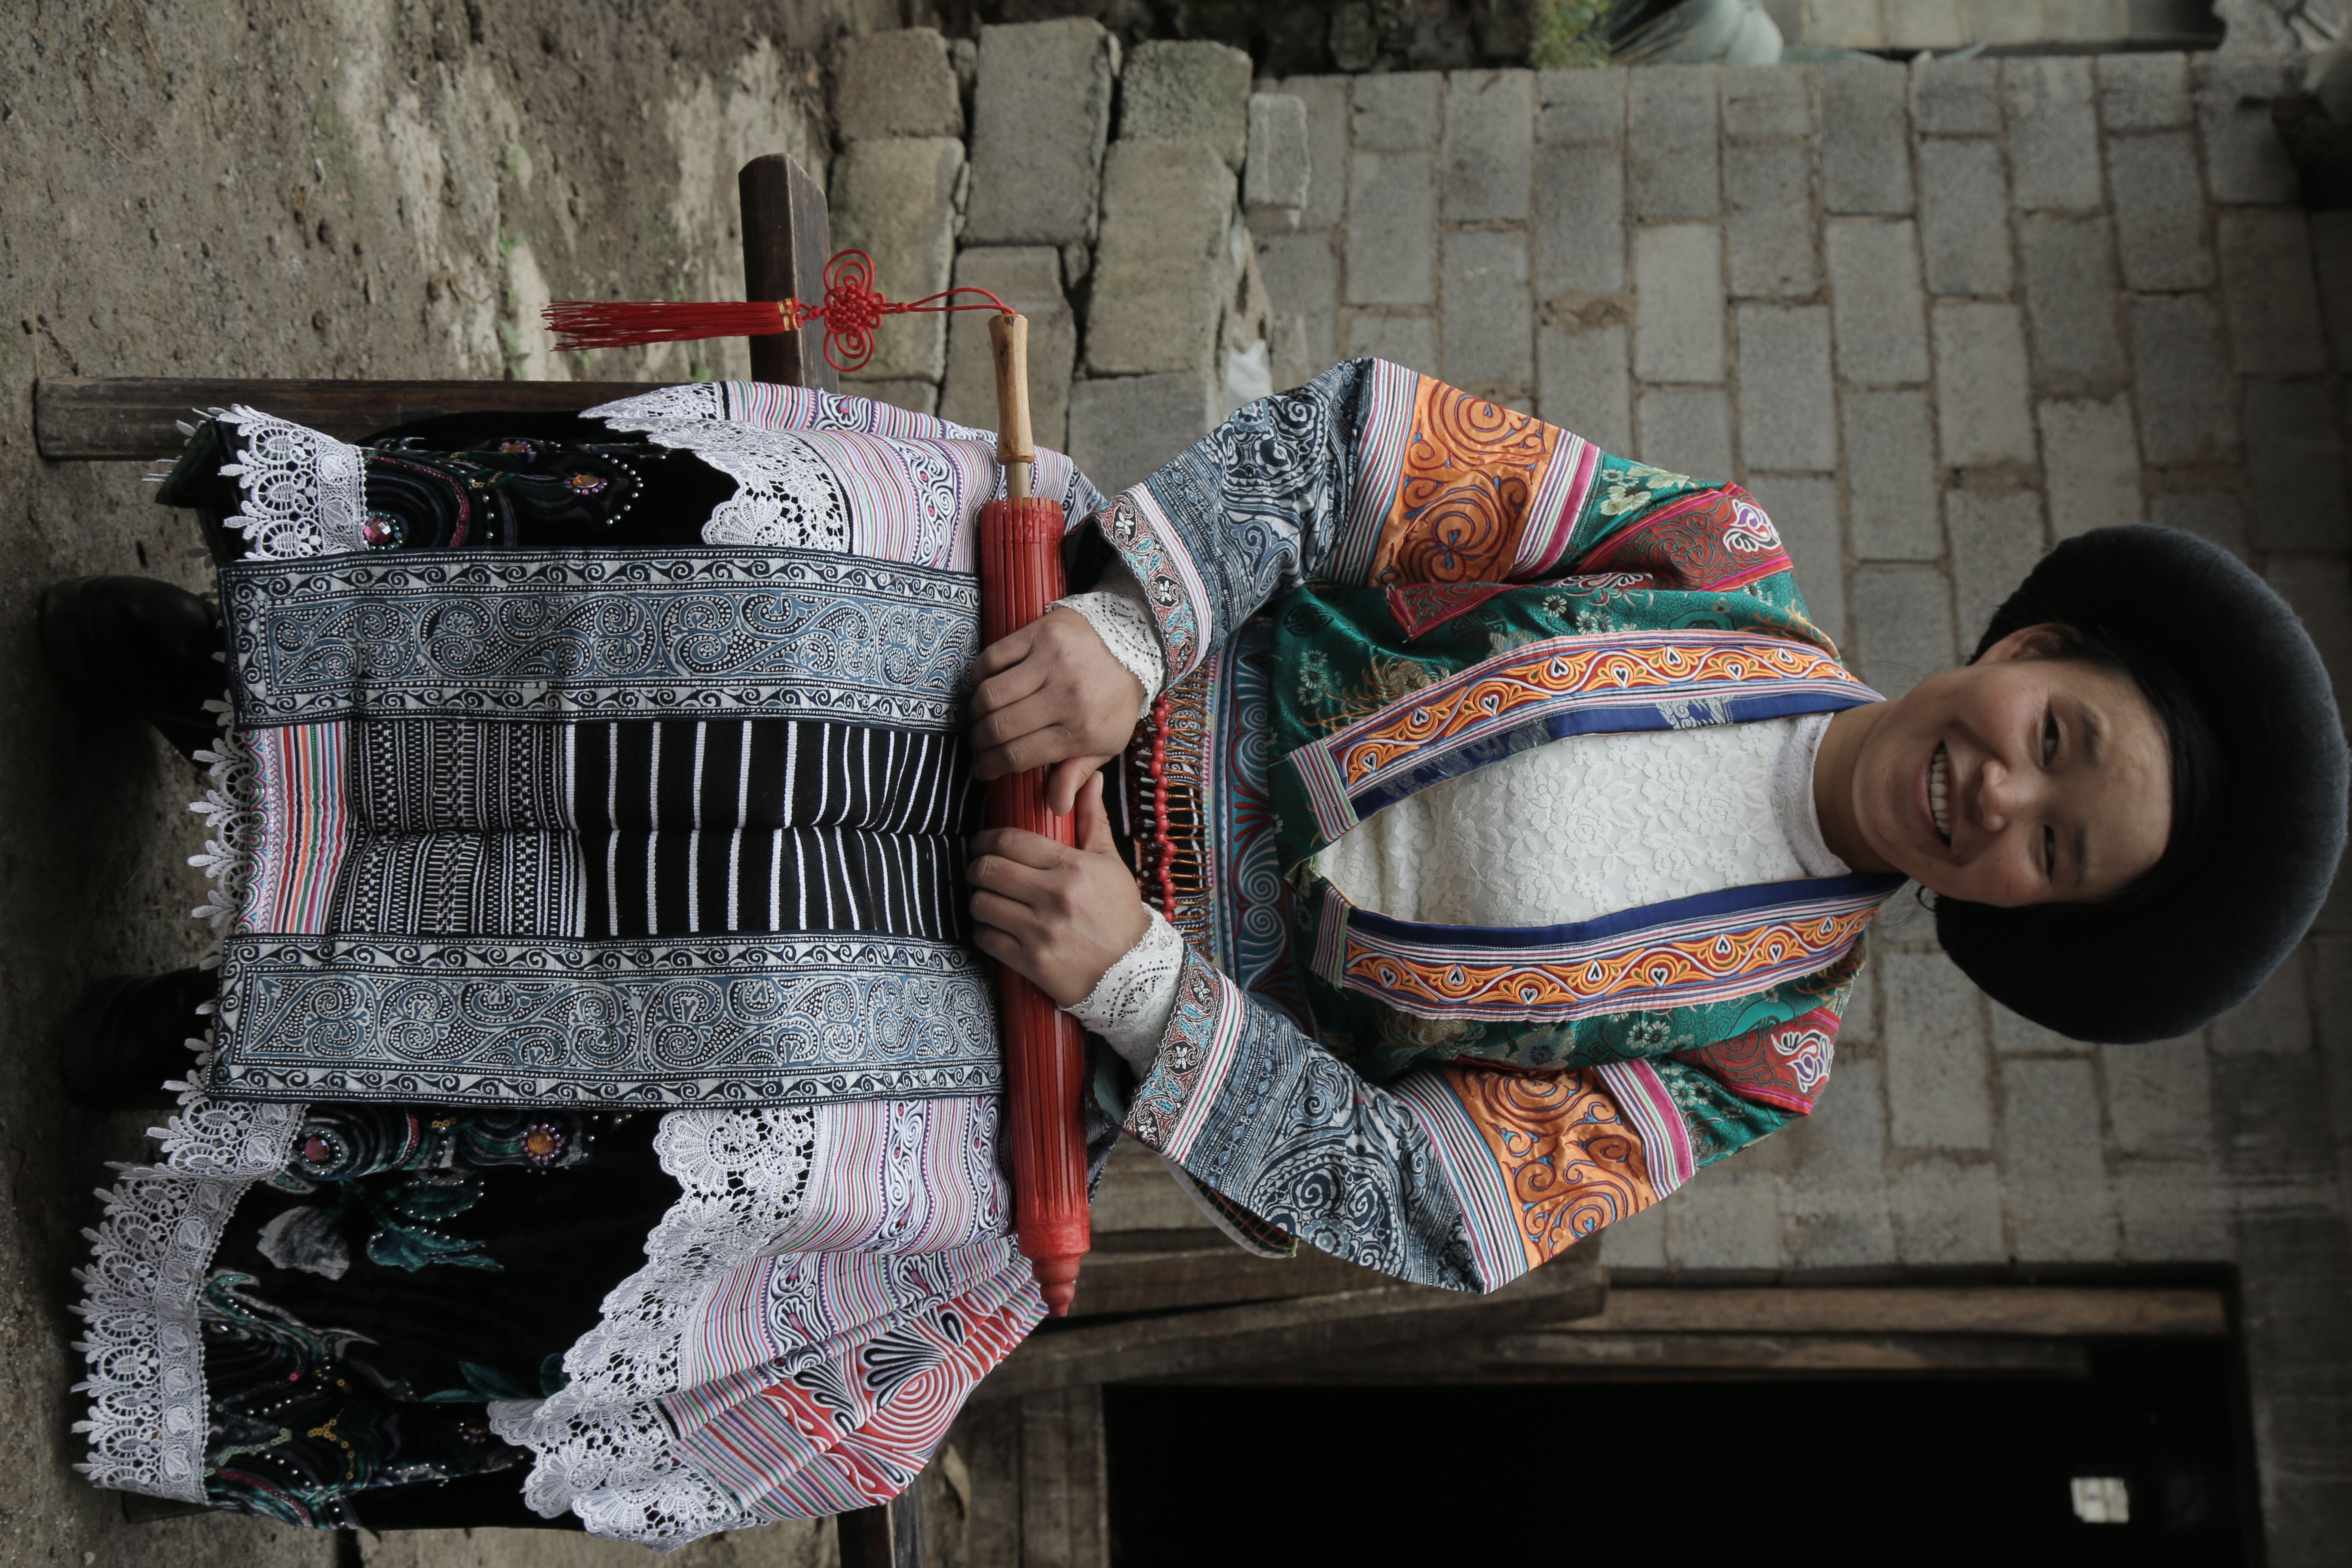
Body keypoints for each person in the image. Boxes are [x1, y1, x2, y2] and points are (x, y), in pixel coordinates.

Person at [56, 360, 2346, 1544]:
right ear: (2028, 646)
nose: (2002, 800)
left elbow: (1441, 1203)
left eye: (2060, 853)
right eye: (2057, 740)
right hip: (1096, 682)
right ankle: (254, 687)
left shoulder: (1754, 1059)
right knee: (795, 614)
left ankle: (251, 1065)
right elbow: (1379, 452)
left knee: (792, 1089)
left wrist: (1143, 981)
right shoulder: (1708, 562)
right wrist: (1132, 638)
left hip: (1090, 1016)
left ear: (2030, 921)